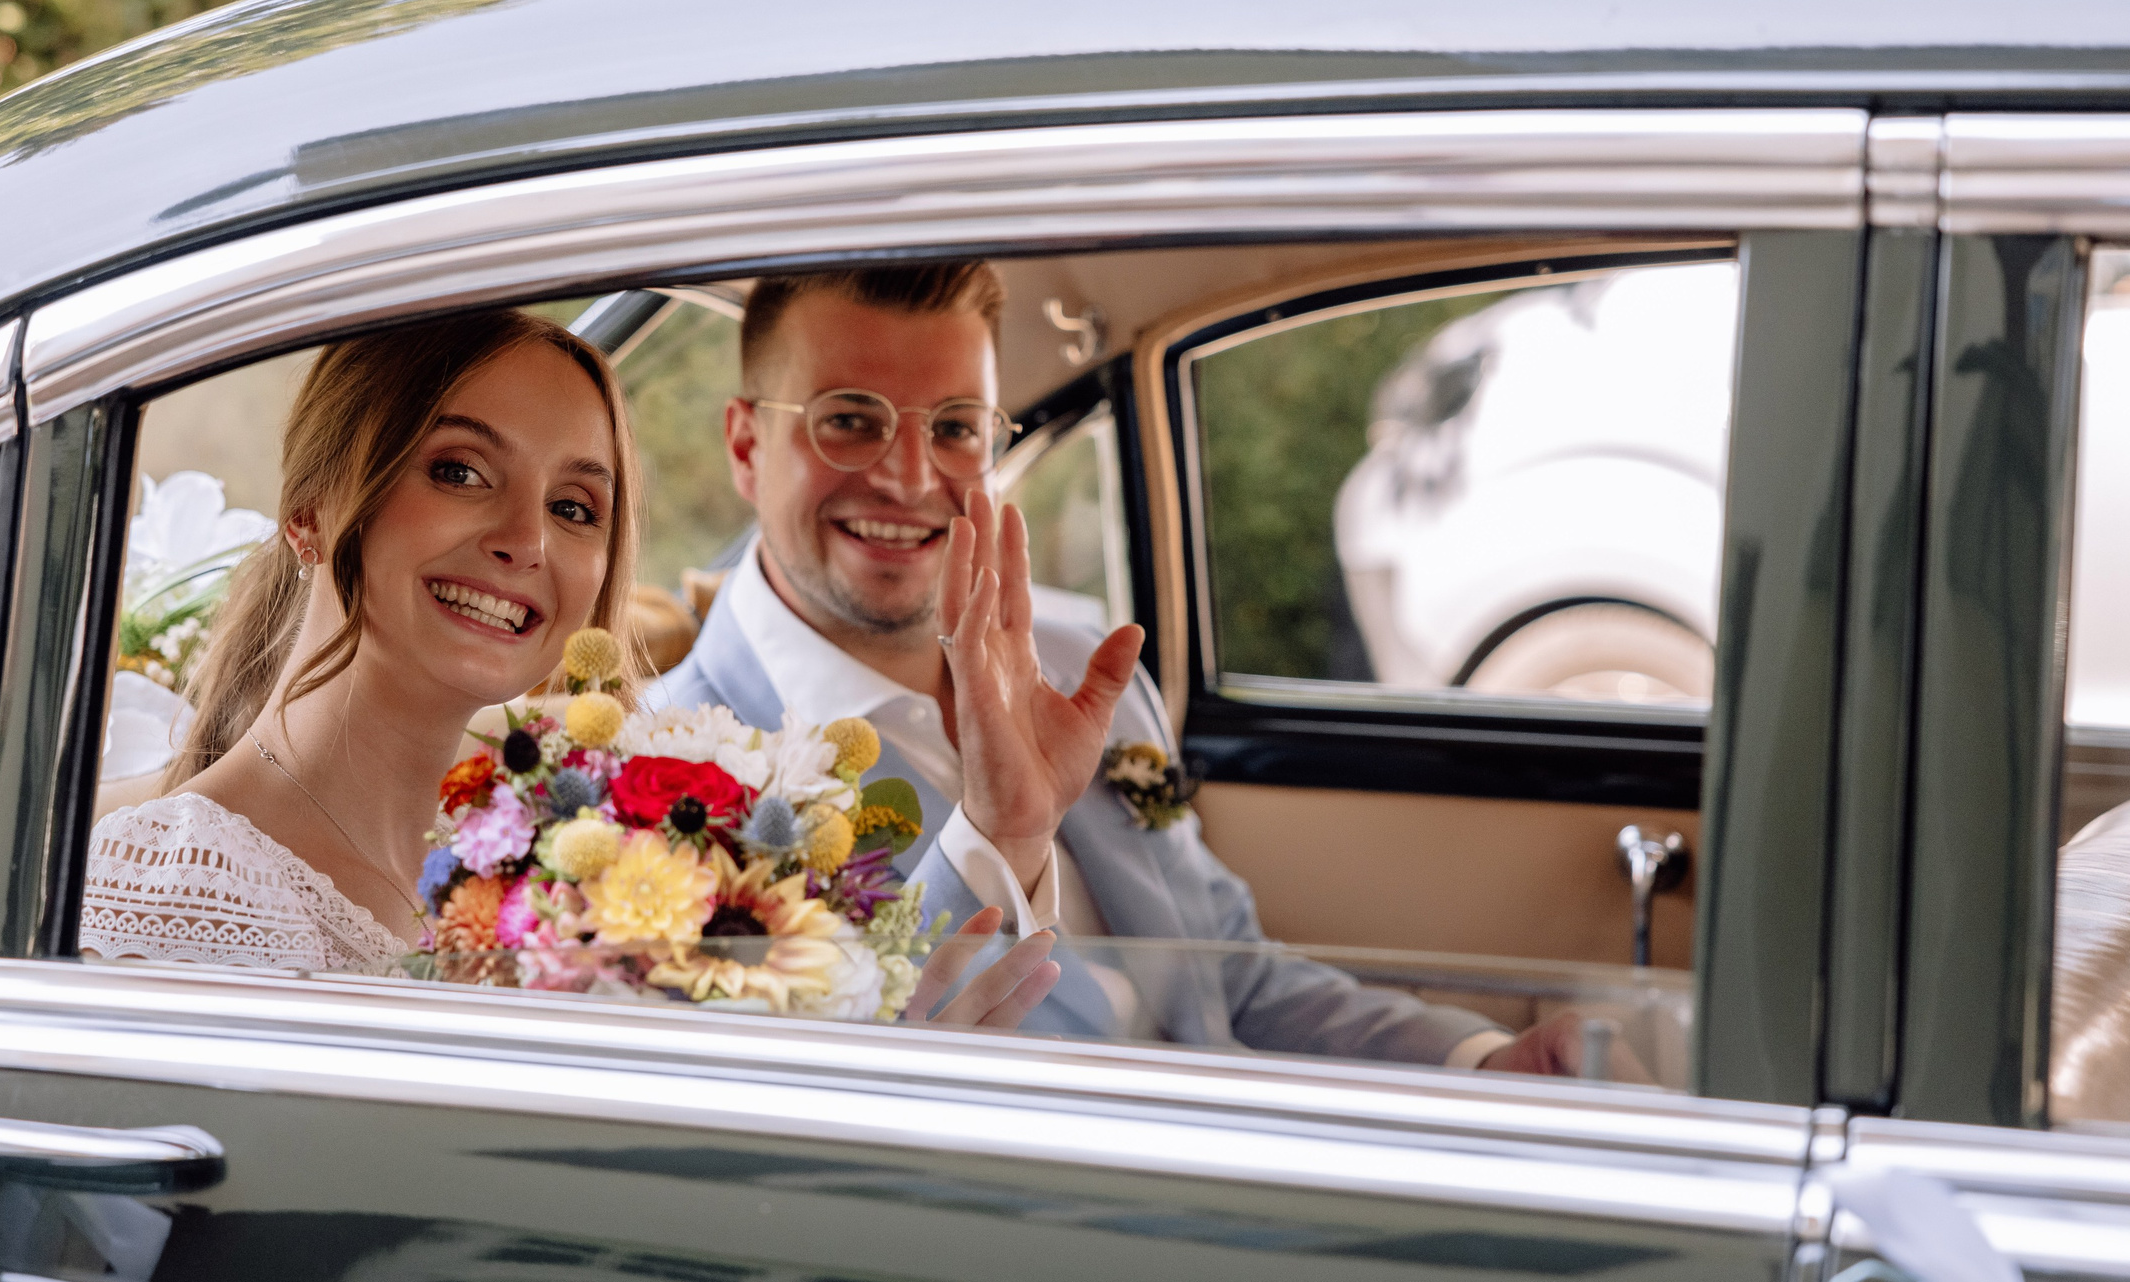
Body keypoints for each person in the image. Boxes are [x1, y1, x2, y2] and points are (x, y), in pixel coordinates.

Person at [655, 264, 1621, 1075]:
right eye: (850, 420)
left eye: (954, 427)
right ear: (747, 444)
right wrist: (1004, 832)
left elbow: (1229, 978)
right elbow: (843, 1097)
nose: (910, 477)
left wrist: (1480, 1064)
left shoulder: (1081, 666)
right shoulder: (674, 787)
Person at [81, 308, 1056, 1028]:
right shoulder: (163, 898)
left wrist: (999, 832)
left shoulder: (602, 838)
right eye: (459, 471)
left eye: (576, 507)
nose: (527, 540)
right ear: (310, 511)